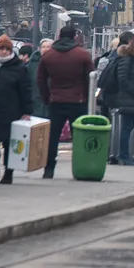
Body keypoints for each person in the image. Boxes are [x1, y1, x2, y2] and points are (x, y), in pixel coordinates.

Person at [36, 25, 93, 179]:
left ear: (59, 36)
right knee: (79, 137)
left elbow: (41, 80)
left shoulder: (48, 56)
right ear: (74, 37)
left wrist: (47, 97)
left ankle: (49, 169)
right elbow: (90, 78)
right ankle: (81, 168)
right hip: (78, 100)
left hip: (56, 100)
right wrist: (86, 98)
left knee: (53, 137)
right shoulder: (82, 55)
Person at [0, 35, 34, 184]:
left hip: (10, 111)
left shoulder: (19, 68)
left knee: (10, 143)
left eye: (7, 49)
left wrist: (27, 111)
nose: (4, 52)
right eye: (1, 49)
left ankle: (8, 172)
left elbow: (25, 90)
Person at [103, 37, 134, 166]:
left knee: (128, 127)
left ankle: (125, 155)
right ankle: (124, 156)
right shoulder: (128, 60)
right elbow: (123, 80)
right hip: (128, 99)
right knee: (126, 128)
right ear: (133, 46)